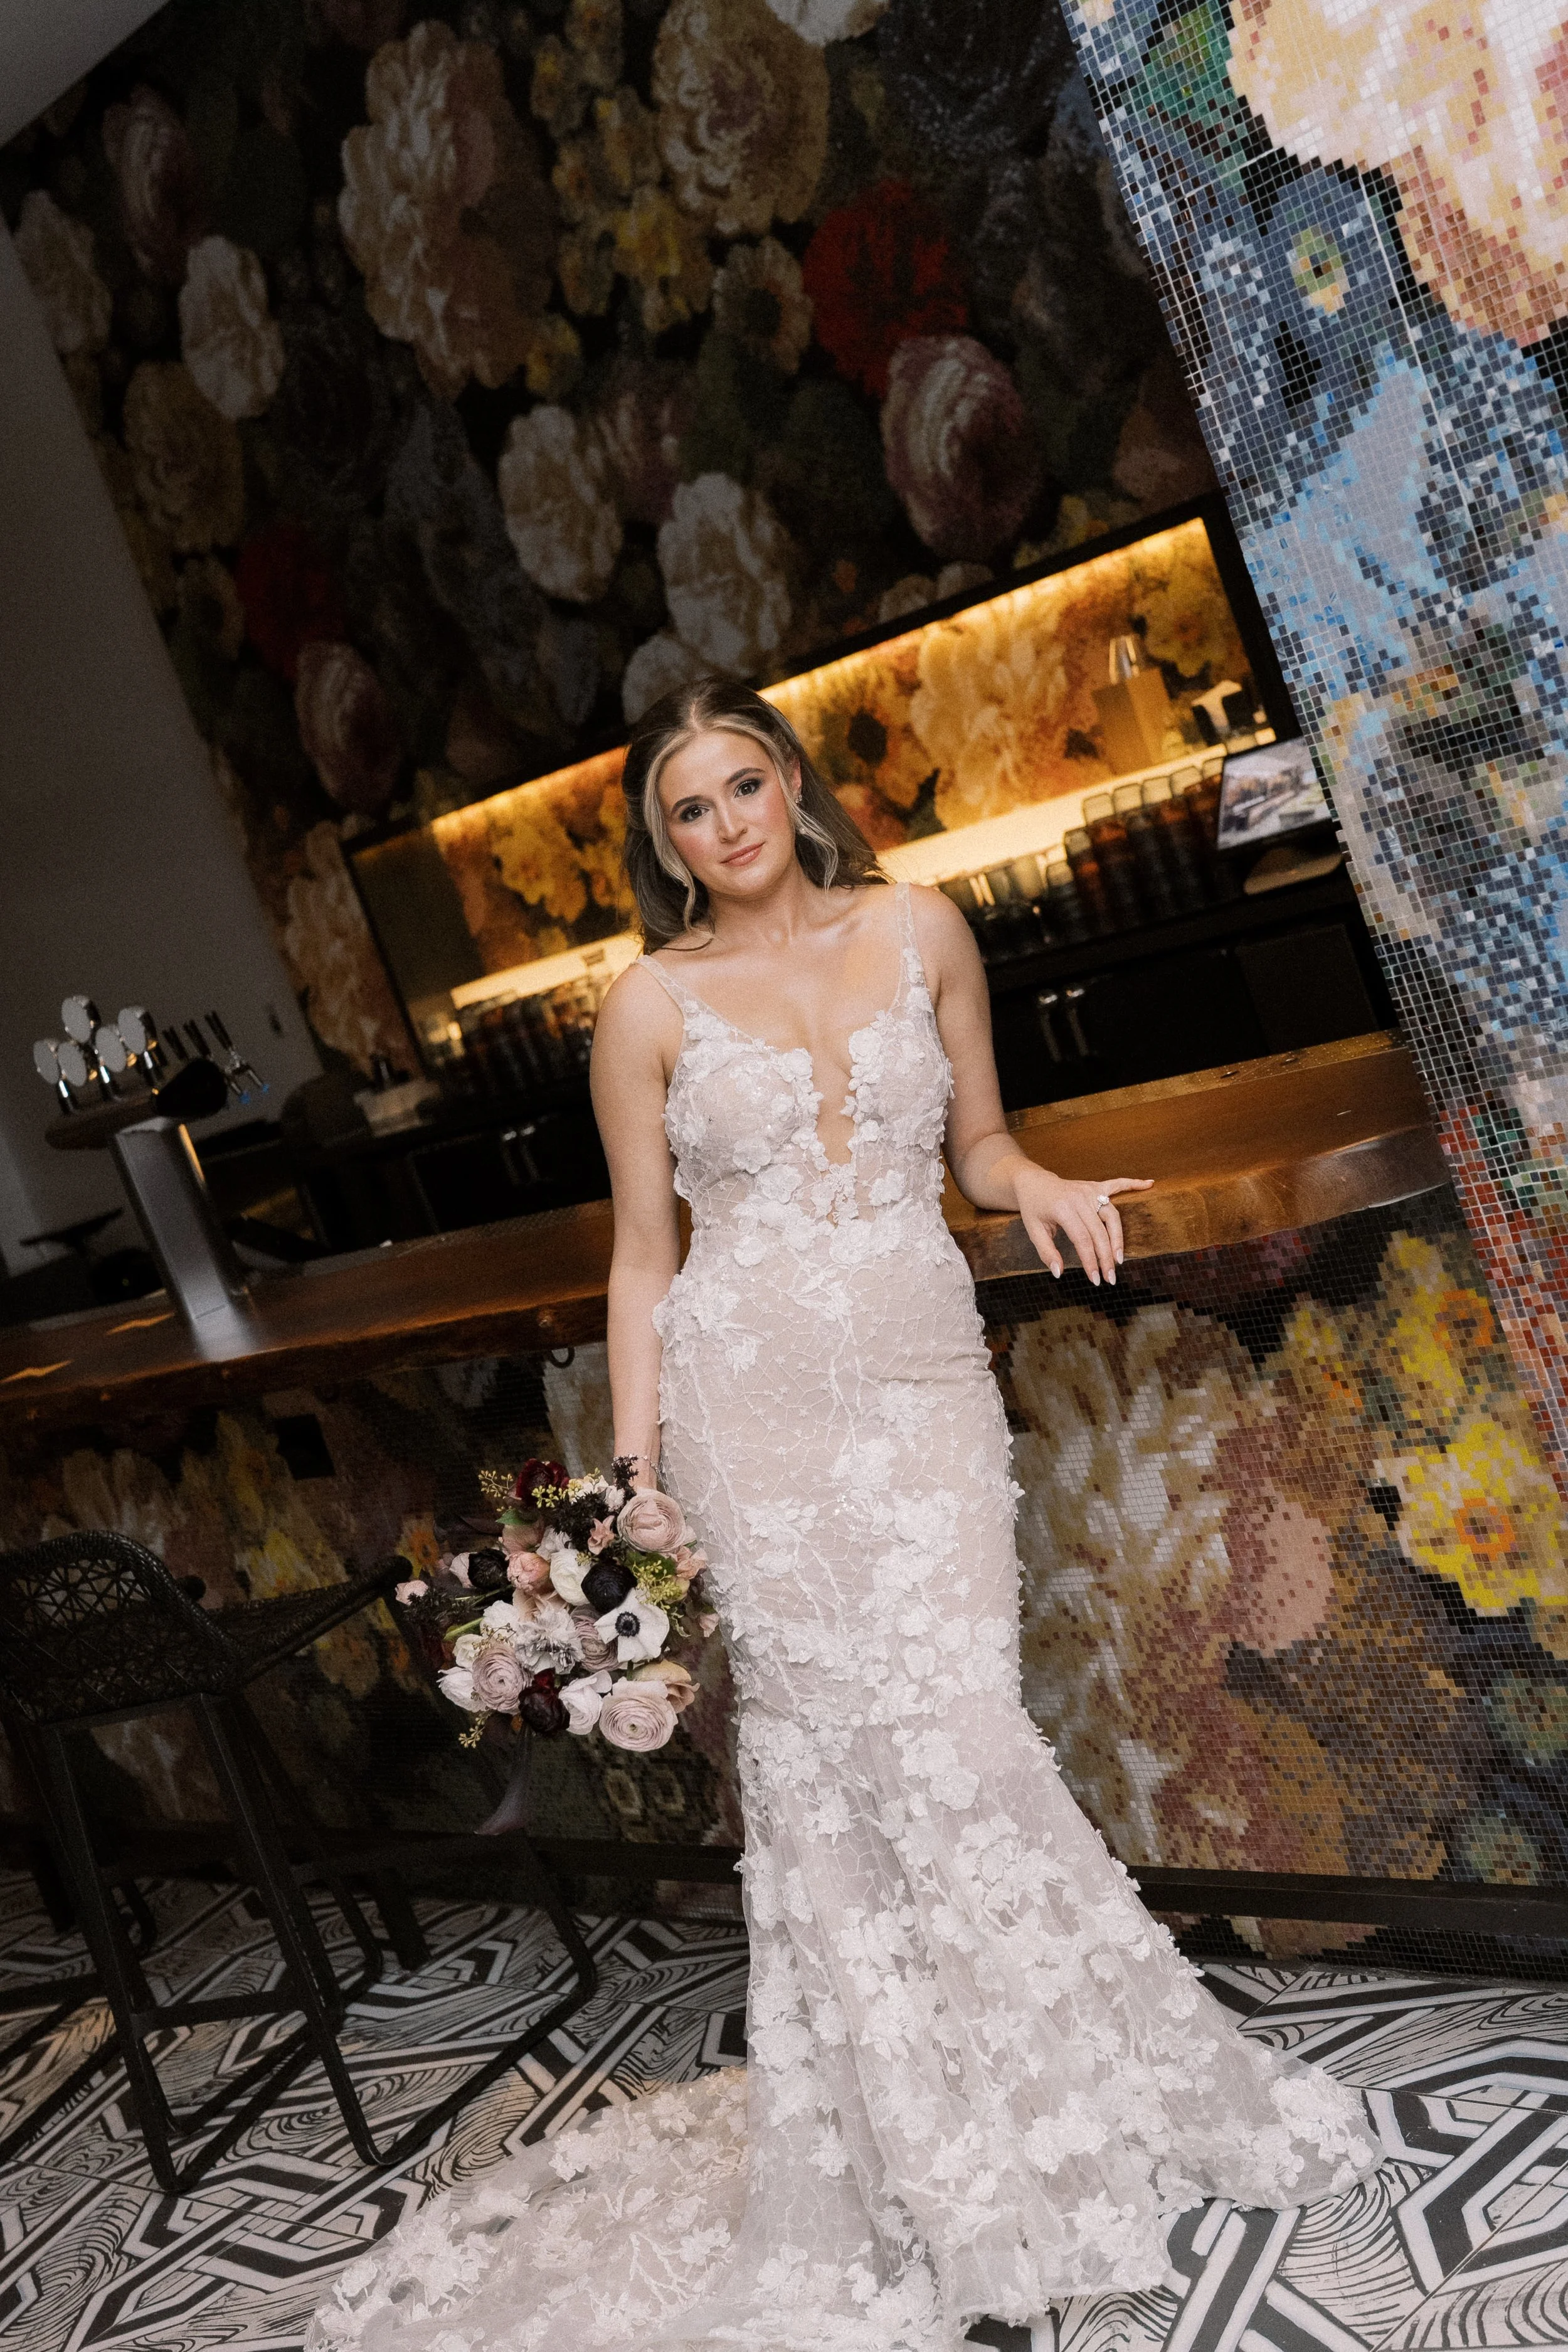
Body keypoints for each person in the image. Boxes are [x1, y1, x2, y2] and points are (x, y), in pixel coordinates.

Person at [310, 682, 1378, 2352]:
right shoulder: (645, 1007)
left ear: (793, 783)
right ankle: (932, 2147)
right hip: (754, 1413)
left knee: (960, 1727)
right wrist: (643, 1467)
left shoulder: (921, 925)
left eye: (744, 782)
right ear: (661, 846)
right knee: (834, 1777)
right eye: (688, 807)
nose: (726, 821)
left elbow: (978, 1144)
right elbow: (644, 1258)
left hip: (913, 1375)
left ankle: (1070, 2086)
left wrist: (1043, 1188)